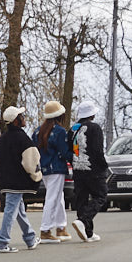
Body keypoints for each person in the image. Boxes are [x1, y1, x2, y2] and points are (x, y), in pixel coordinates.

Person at [0, 106, 42, 252]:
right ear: (16, 121)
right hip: (18, 181)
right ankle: (2, 242)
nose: (24, 118)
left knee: (18, 209)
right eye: (21, 116)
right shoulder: (23, 139)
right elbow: (30, 163)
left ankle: (30, 238)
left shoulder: (1, 139)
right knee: (11, 210)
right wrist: (36, 176)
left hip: (5, 181)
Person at [34, 100, 73, 243]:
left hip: (44, 169)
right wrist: (76, 157)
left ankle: (61, 227)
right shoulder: (60, 131)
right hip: (57, 168)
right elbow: (64, 151)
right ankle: (46, 230)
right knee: (53, 198)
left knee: (58, 197)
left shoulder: (38, 131)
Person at [70, 101, 108, 242]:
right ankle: (83, 220)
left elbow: (71, 149)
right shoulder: (94, 128)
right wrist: (104, 165)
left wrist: (75, 161)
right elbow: (98, 150)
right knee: (100, 196)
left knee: (82, 199)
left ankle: (88, 232)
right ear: (92, 114)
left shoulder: (73, 128)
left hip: (78, 169)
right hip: (94, 170)